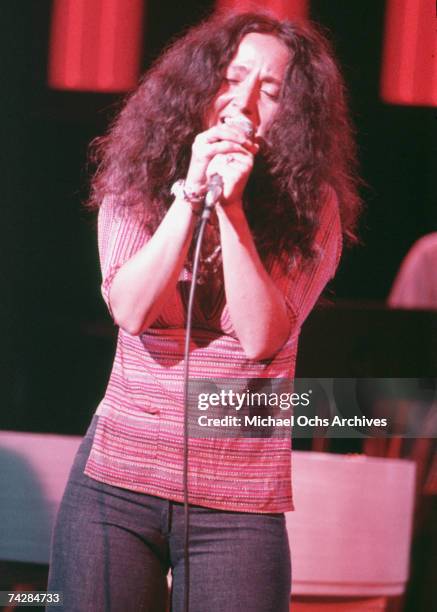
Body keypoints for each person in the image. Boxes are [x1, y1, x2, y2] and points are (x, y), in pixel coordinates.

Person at [47, 11, 361, 612]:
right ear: (199, 83)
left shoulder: (311, 205)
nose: (242, 100)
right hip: (118, 481)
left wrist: (233, 212)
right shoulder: (137, 174)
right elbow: (133, 310)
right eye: (232, 77)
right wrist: (191, 194)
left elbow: (262, 338)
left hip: (238, 498)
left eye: (270, 91)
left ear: (294, 113)